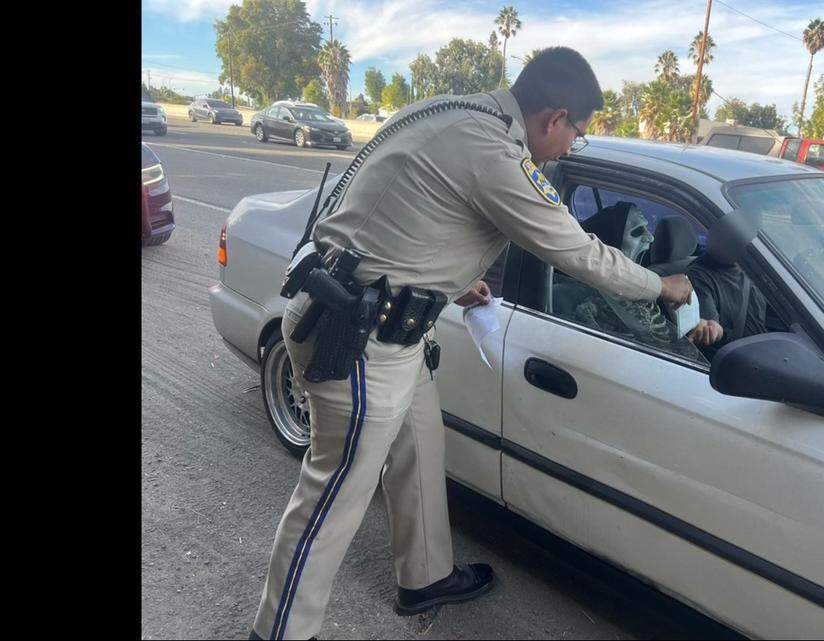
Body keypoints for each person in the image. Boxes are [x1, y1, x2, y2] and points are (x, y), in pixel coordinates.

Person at [249, 47, 694, 640]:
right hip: (357, 342)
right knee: (330, 502)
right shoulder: (494, 152)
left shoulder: (453, 110)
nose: (570, 149)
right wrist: (661, 287)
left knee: (421, 444)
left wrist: (451, 283)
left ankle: (425, 578)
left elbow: (403, 208)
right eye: (576, 135)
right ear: (555, 118)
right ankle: (278, 631)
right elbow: (580, 254)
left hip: (381, 326)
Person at [556, 202, 706, 363]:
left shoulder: (645, 289)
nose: (650, 237)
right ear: (611, 245)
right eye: (638, 232)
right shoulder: (586, 302)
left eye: (647, 229)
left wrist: (696, 327)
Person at [684, 222, 773, 359]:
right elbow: (710, 329)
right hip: (739, 360)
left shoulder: (754, 270)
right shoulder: (698, 276)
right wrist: (717, 332)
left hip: (765, 352)